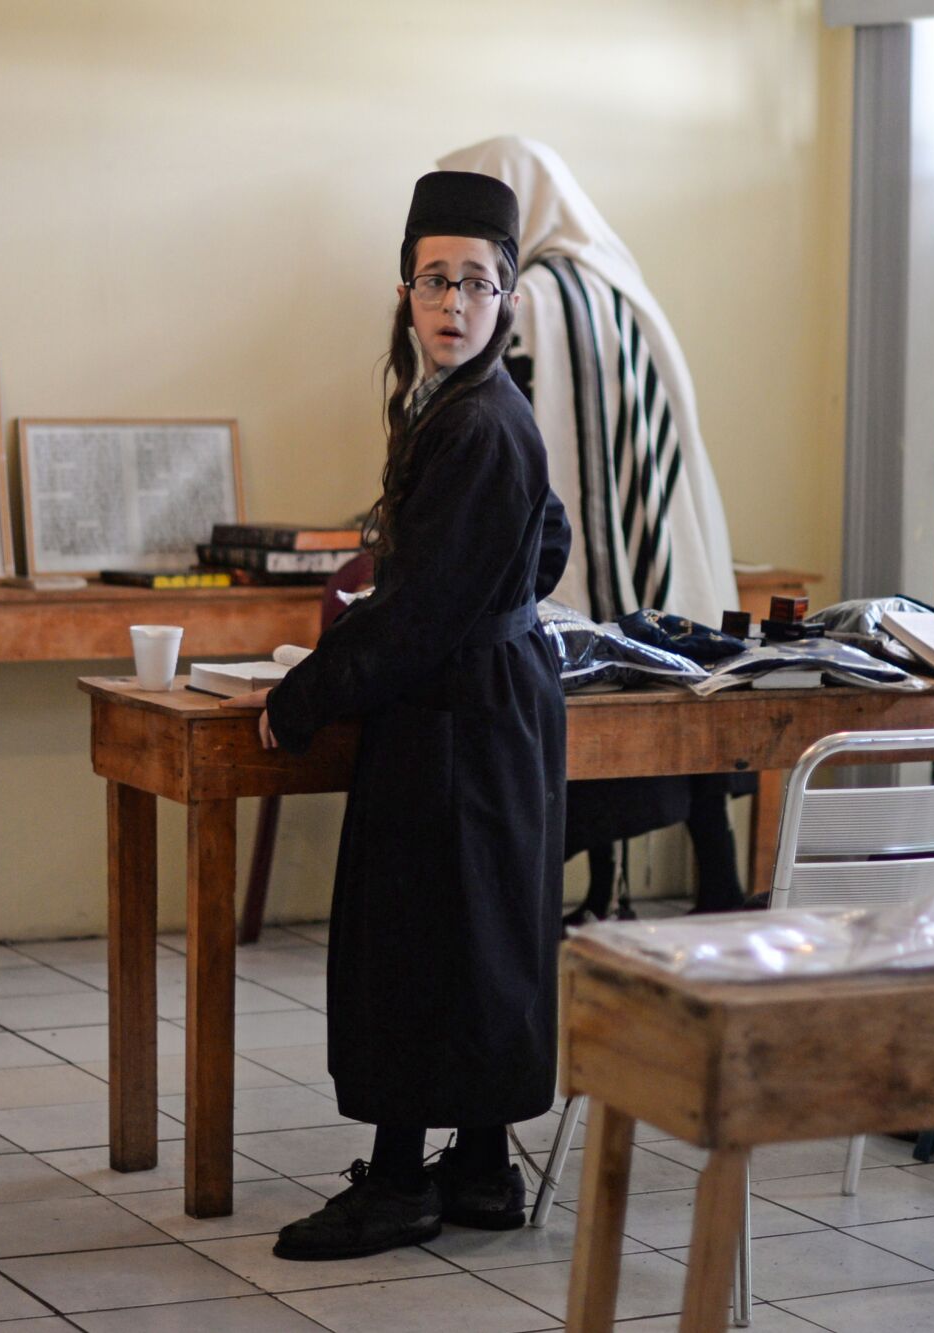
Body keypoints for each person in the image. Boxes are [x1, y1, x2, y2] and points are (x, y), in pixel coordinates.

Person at [224, 171, 571, 1260]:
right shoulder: (466, 406)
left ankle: (394, 1184)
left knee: (420, 936)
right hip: (483, 699)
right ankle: (475, 1166)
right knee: (467, 933)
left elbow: (416, 616)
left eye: (477, 283)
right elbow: (545, 541)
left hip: (459, 709)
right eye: (435, 281)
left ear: (506, 296)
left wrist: (308, 691)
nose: (453, 304)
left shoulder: (476, 423)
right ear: (404, 289)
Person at [437, 138, 751, 919]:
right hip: (666, 540)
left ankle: (579, 894)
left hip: (576, 545)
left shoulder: (533, 297)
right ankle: (661, 885)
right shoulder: (618, 281)